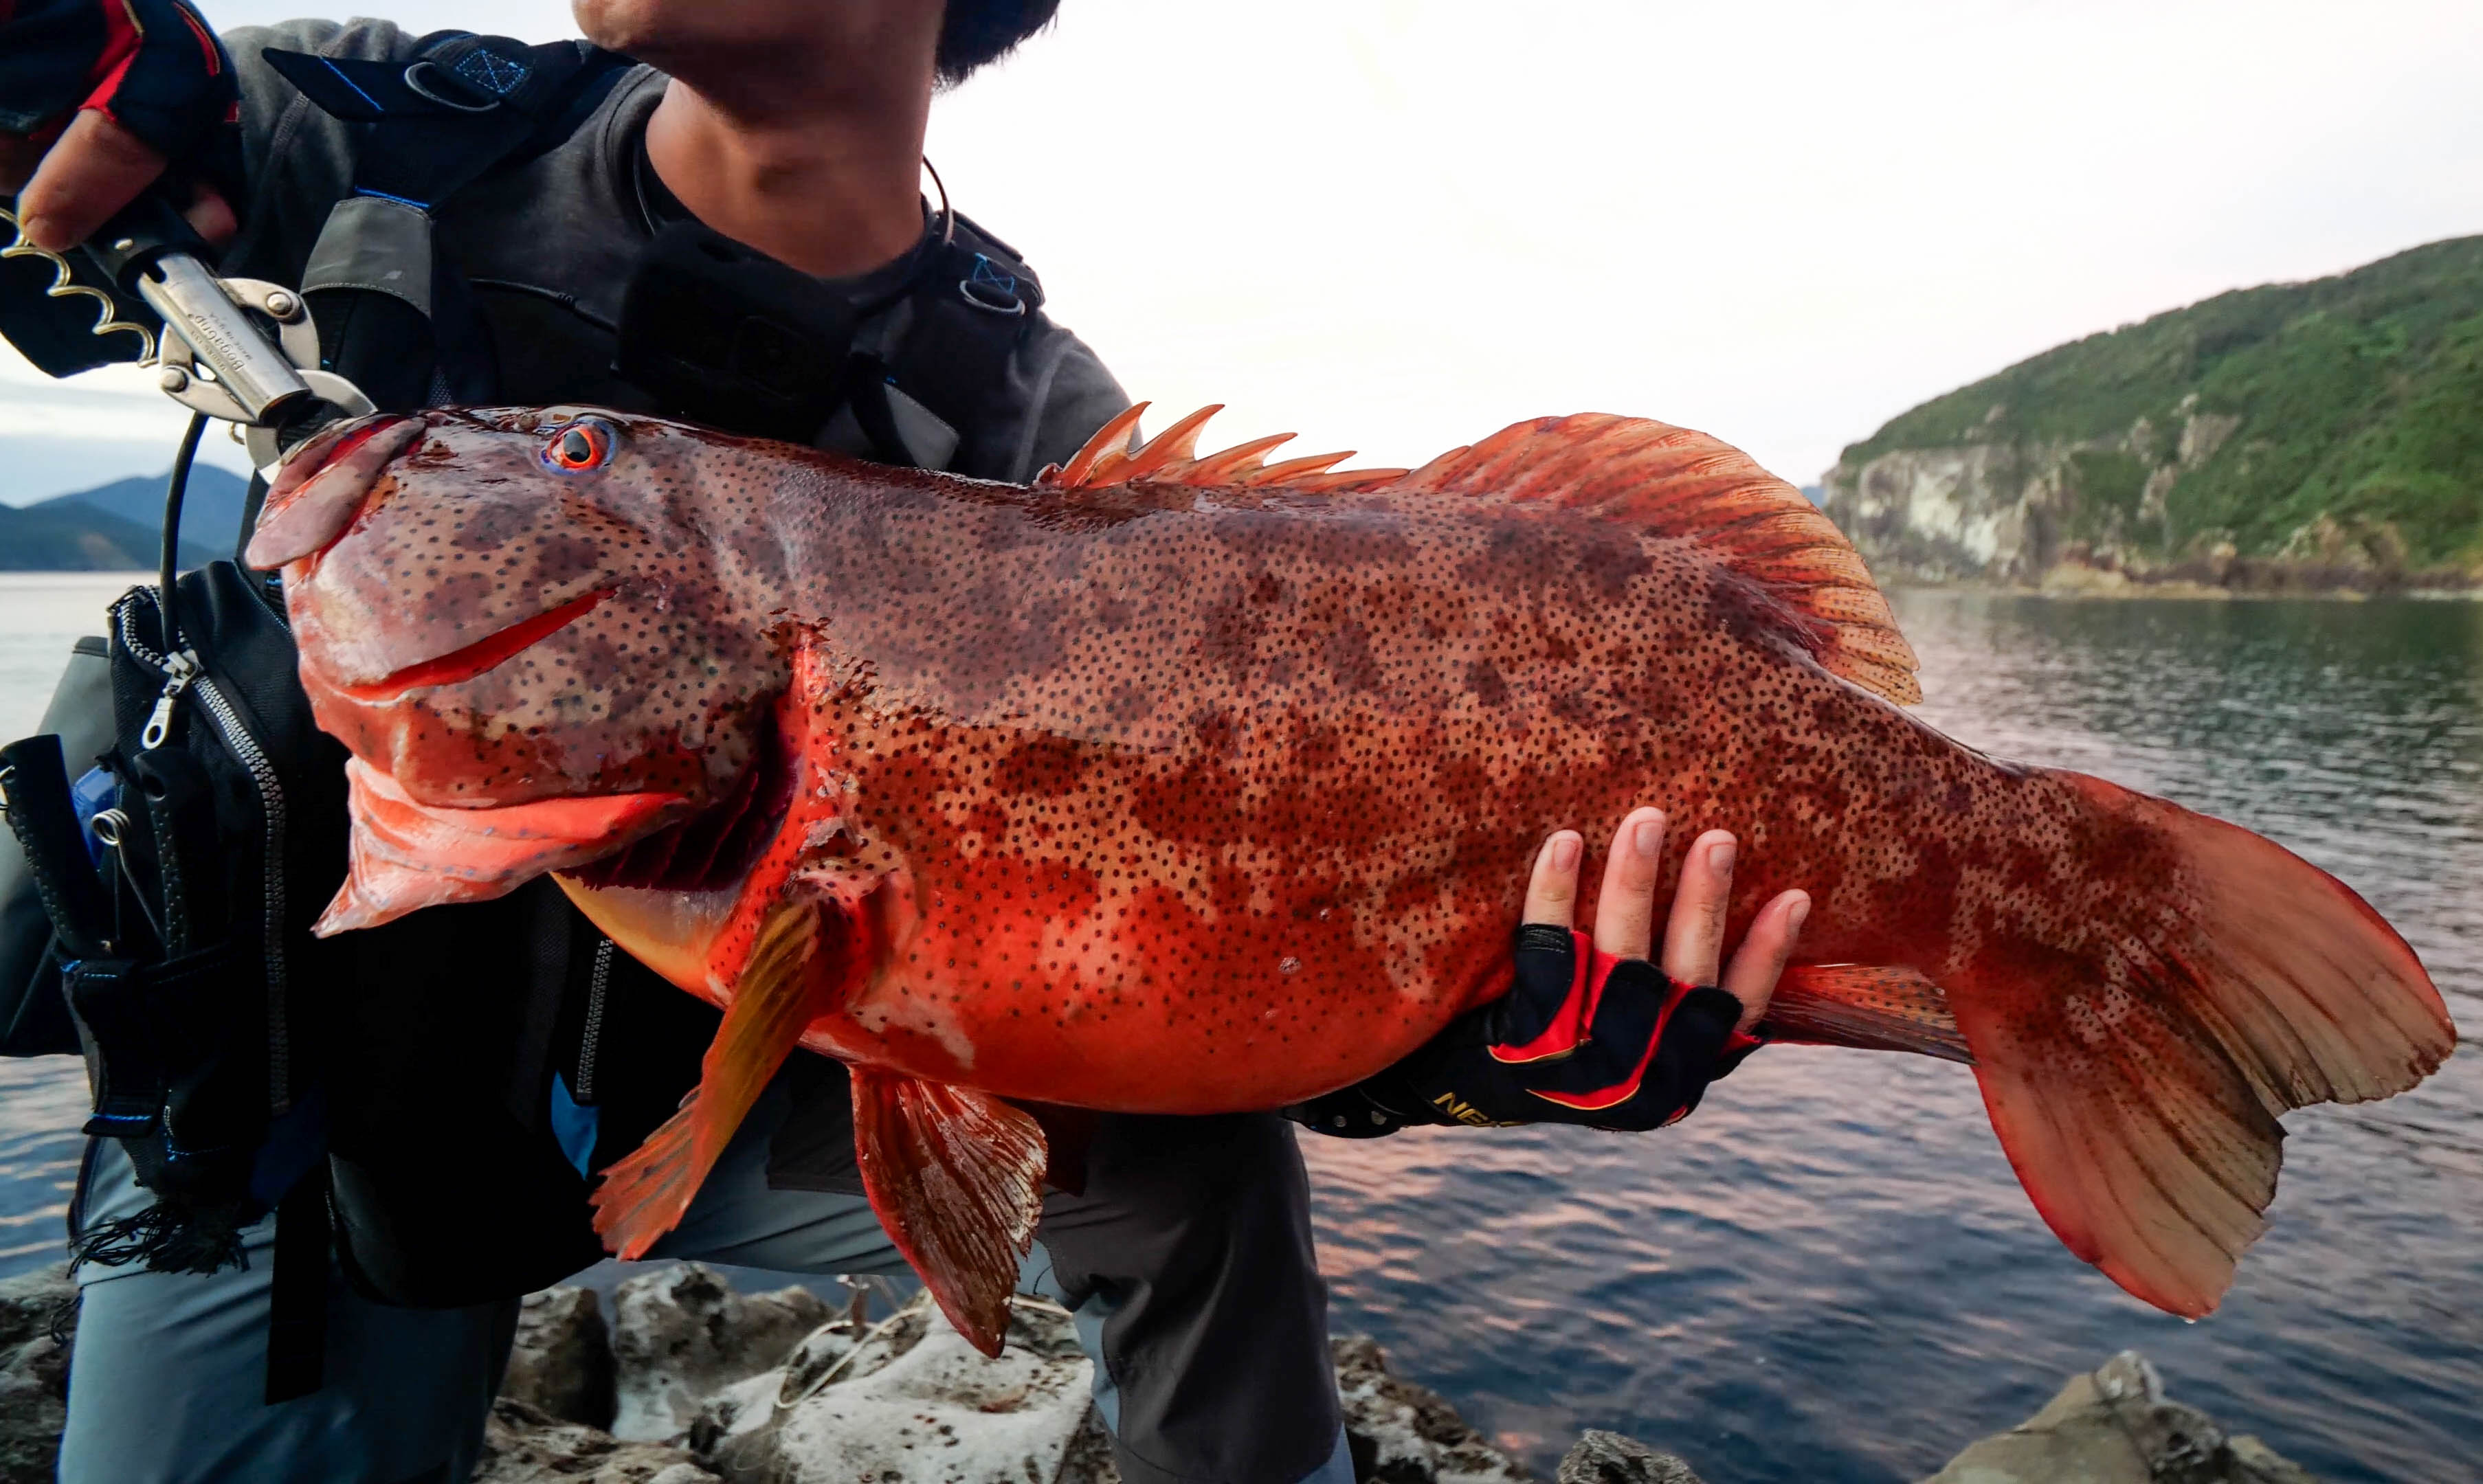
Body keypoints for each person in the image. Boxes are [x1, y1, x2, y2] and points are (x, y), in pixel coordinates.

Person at [0, 3, 1812, 1481]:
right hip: (308, 1092)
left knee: (1198, 1175)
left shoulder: (1049, 423)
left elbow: (1236, 880)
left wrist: (1464, 1049)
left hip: (721, 1041)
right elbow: (62, 172)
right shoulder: (361, 122)